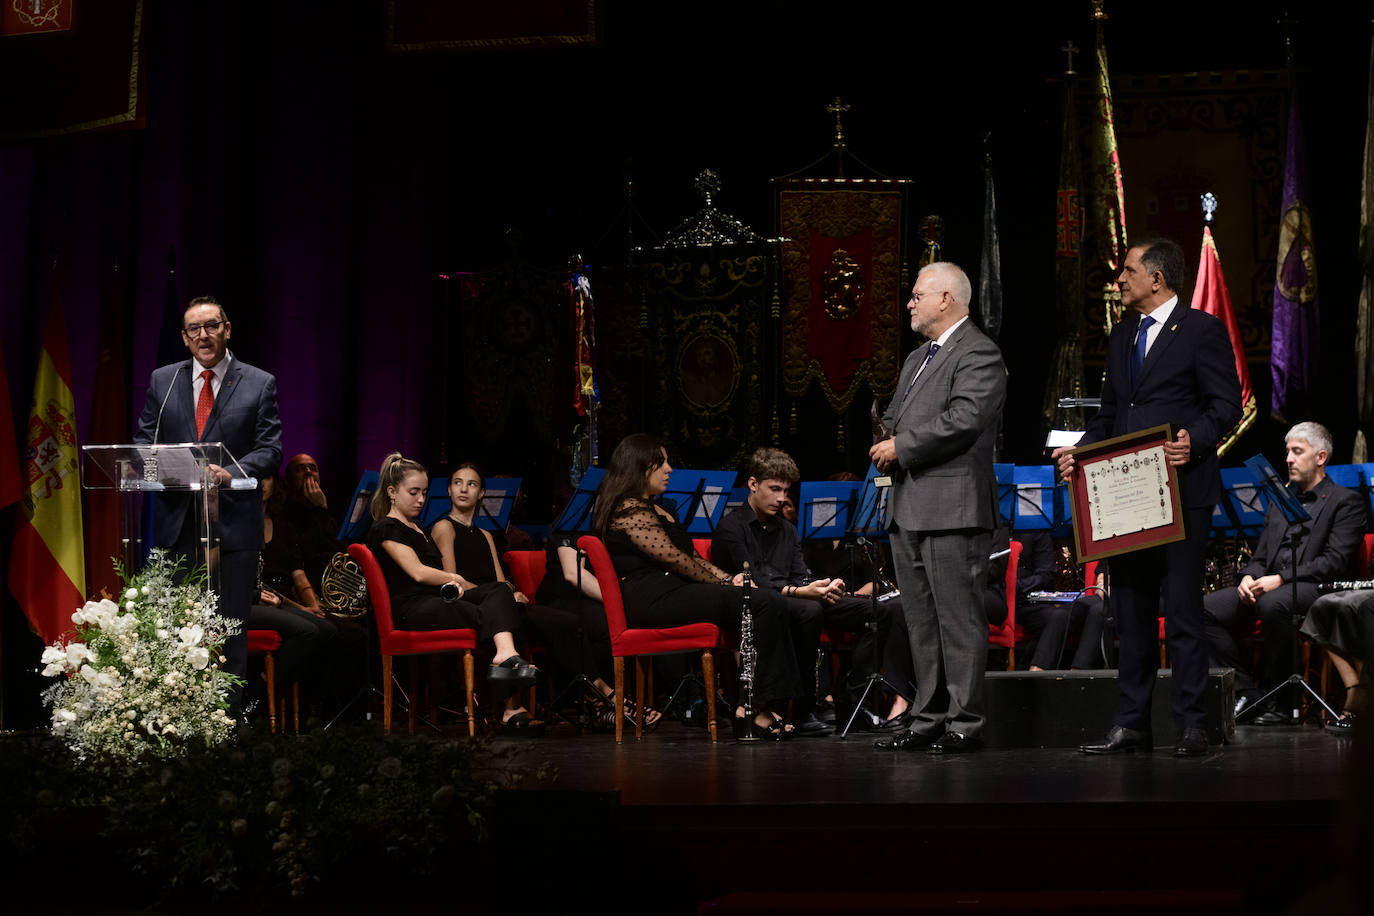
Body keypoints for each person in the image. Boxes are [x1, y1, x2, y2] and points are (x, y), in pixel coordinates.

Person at [1053, 237, 1242, 757]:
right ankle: (1132, 724)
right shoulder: (1122, 335)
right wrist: (1080, 451)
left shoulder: (1201, 331)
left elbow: (1227, 405)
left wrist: (1193, 440)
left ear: (1157, 278)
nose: (1119, 281)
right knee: (1129, 615)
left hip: (1182, 492)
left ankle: (1192, 726)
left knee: (1181, 612)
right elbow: (1110, 414)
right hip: (1125, 496)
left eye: (1128, 272)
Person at [869, 261, 1007, 755]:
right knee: (921, 622)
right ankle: (926, 719)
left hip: (953, 507)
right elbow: (897, 415)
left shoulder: (980, 353)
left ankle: (964, 722)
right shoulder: (917, 358)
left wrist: (901, 447)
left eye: (916, 295)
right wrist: (884, 434)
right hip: (909, 507)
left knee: (957, 619)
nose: (910, 302)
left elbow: (965, 419)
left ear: (945, 298)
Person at [596, 433, 804, 739]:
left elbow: (691, 556)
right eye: (662, 462)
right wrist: (724, 581)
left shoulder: (659, 508)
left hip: (672, 591)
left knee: (764, 599)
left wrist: (730, 579)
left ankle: (757, 703)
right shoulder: (629, 509)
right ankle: (752, 707)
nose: (669, 469)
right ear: (640, 467)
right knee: (761, 602)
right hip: (651, 598)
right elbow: (674, 560)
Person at [135, 295, 282, 715]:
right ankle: (179, 720)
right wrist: (155, 467)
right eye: (194, 329)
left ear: (227, 329)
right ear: (184, 338)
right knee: (175, 628)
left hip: (233, 526)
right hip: (177, 524)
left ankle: (225, 727)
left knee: (228, 630)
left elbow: (269, 449)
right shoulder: (164, 381)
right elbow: (146, 441)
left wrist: (229, 473)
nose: (204, 335)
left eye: (211, 326)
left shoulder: (258, 382)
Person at [711, 448, 895, 737]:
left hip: (794, 595)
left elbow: (800, 574)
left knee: (877, 611)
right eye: (774, 489)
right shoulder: (731, 527)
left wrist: (825, 586)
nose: (782, 498)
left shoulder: (787, 529)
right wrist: (802, 591)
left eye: (786, 490)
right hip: (759, 603)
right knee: (808, 610)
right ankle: (808, 705)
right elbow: (754, 579)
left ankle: (855, 697)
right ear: (753, 484)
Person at [365, 453, 538, 732]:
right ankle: (510, 703)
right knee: (492, 614)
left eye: (423, 492)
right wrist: (454, 577)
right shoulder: (387, 526)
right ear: (392, 492)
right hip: (410, 609)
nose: (421, 499)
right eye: (413, 492)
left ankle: (506, 655)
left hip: (433, 601)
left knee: (497, 592)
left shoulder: (415, 527)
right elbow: (418, 572)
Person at [1206, 422, 1364, 723]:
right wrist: (1247, 578)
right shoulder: (1280, 501)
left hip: (1314, 586)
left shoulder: (1346, 501)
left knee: (1274, 603)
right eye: (1287, 452)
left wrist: (1281, 579)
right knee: (1203, 610)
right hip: (1269, 585)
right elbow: (1262, 555)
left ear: (1320, 457)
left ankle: (1281, 701)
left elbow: (1335, 562)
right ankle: (1247, 693)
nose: (1288, 459)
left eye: (1297, 451)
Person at [247, 474, 345, 709]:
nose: (261, 483)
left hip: (279, 598)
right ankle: (258, 697)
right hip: (255, 599)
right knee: (310, 631)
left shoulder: (284, 527)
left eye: (266, 478)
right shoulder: (236, 526)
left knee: (329, 629)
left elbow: (298, 576)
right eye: (254, 477)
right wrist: (302, 608)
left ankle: (303, 705)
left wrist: (313, 606)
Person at [279, 453, 343, 593]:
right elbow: (306, 552)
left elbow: (338, 549)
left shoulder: (327, 509)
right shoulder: (281, 515)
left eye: (312, 468)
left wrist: (322, 508)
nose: (308, 472)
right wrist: (319, 509)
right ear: (288, 480)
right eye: (300, 469)